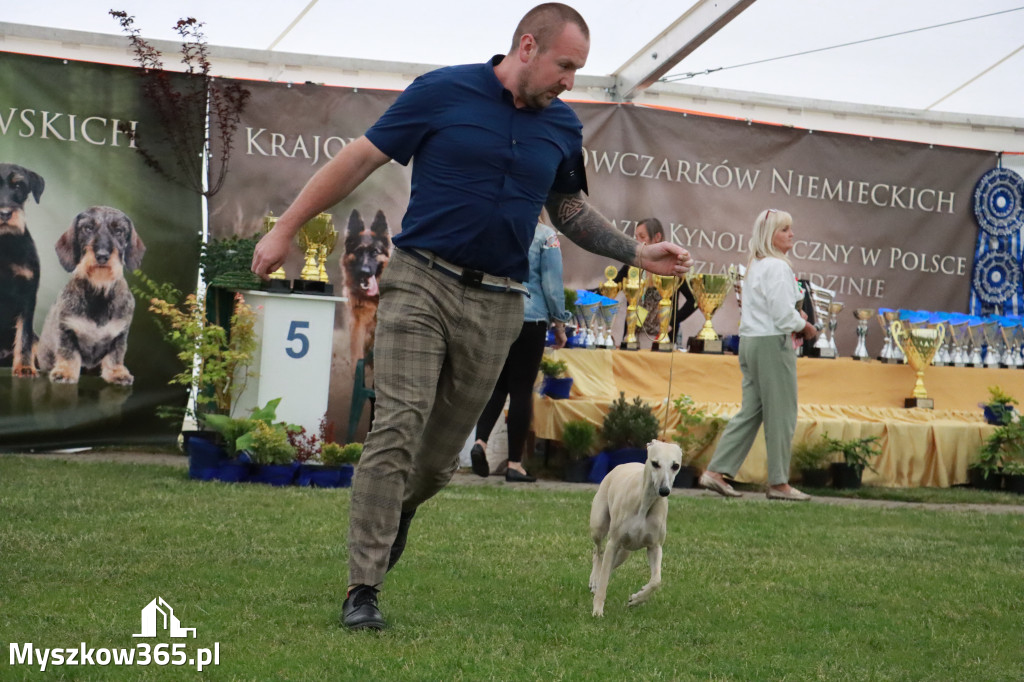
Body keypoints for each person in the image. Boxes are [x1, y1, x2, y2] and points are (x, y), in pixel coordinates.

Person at [250, 3, 692, 631]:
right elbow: (359, 159)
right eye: (566, 66)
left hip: (498, 302)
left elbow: (568, 209)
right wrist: (286, 228)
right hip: (420, 281)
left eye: (580, 70)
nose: (571, 81)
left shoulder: (562, 128)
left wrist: (636, 251)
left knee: (435, 463)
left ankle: (396, 510)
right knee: (396, 427)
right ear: (528, 46)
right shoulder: (442, 91)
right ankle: (363, 588)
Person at [698, 209, 817, 502]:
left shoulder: (756, 265)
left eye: (790, 228)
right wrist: (805, 326)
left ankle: (716, 471)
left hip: (751, 342)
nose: (791, 234)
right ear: (769, 236)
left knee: (751, 412)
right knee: (782, 414)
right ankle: (779, 483)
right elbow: (781, 314)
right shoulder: (777, 267)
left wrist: (794, 317)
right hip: (771, 344)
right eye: (784, 230)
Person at [471, 217, 572, 483]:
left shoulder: (501, 226)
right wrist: (559, 324)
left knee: (497, 385)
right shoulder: (546, 236)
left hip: (499, 315)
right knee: (521, 390)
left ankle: (480, 441)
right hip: (531, 318)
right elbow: (551, 285)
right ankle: (515, 463)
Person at [612, 218, 696, 344]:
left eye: (642, 236)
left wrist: (672, 321)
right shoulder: (631, 266)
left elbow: (693, 300)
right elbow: (610, 288)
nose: (637, 241)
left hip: (663, 339)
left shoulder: (671, 267)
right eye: (636, 237)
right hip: (634, 337)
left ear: (657, 237)